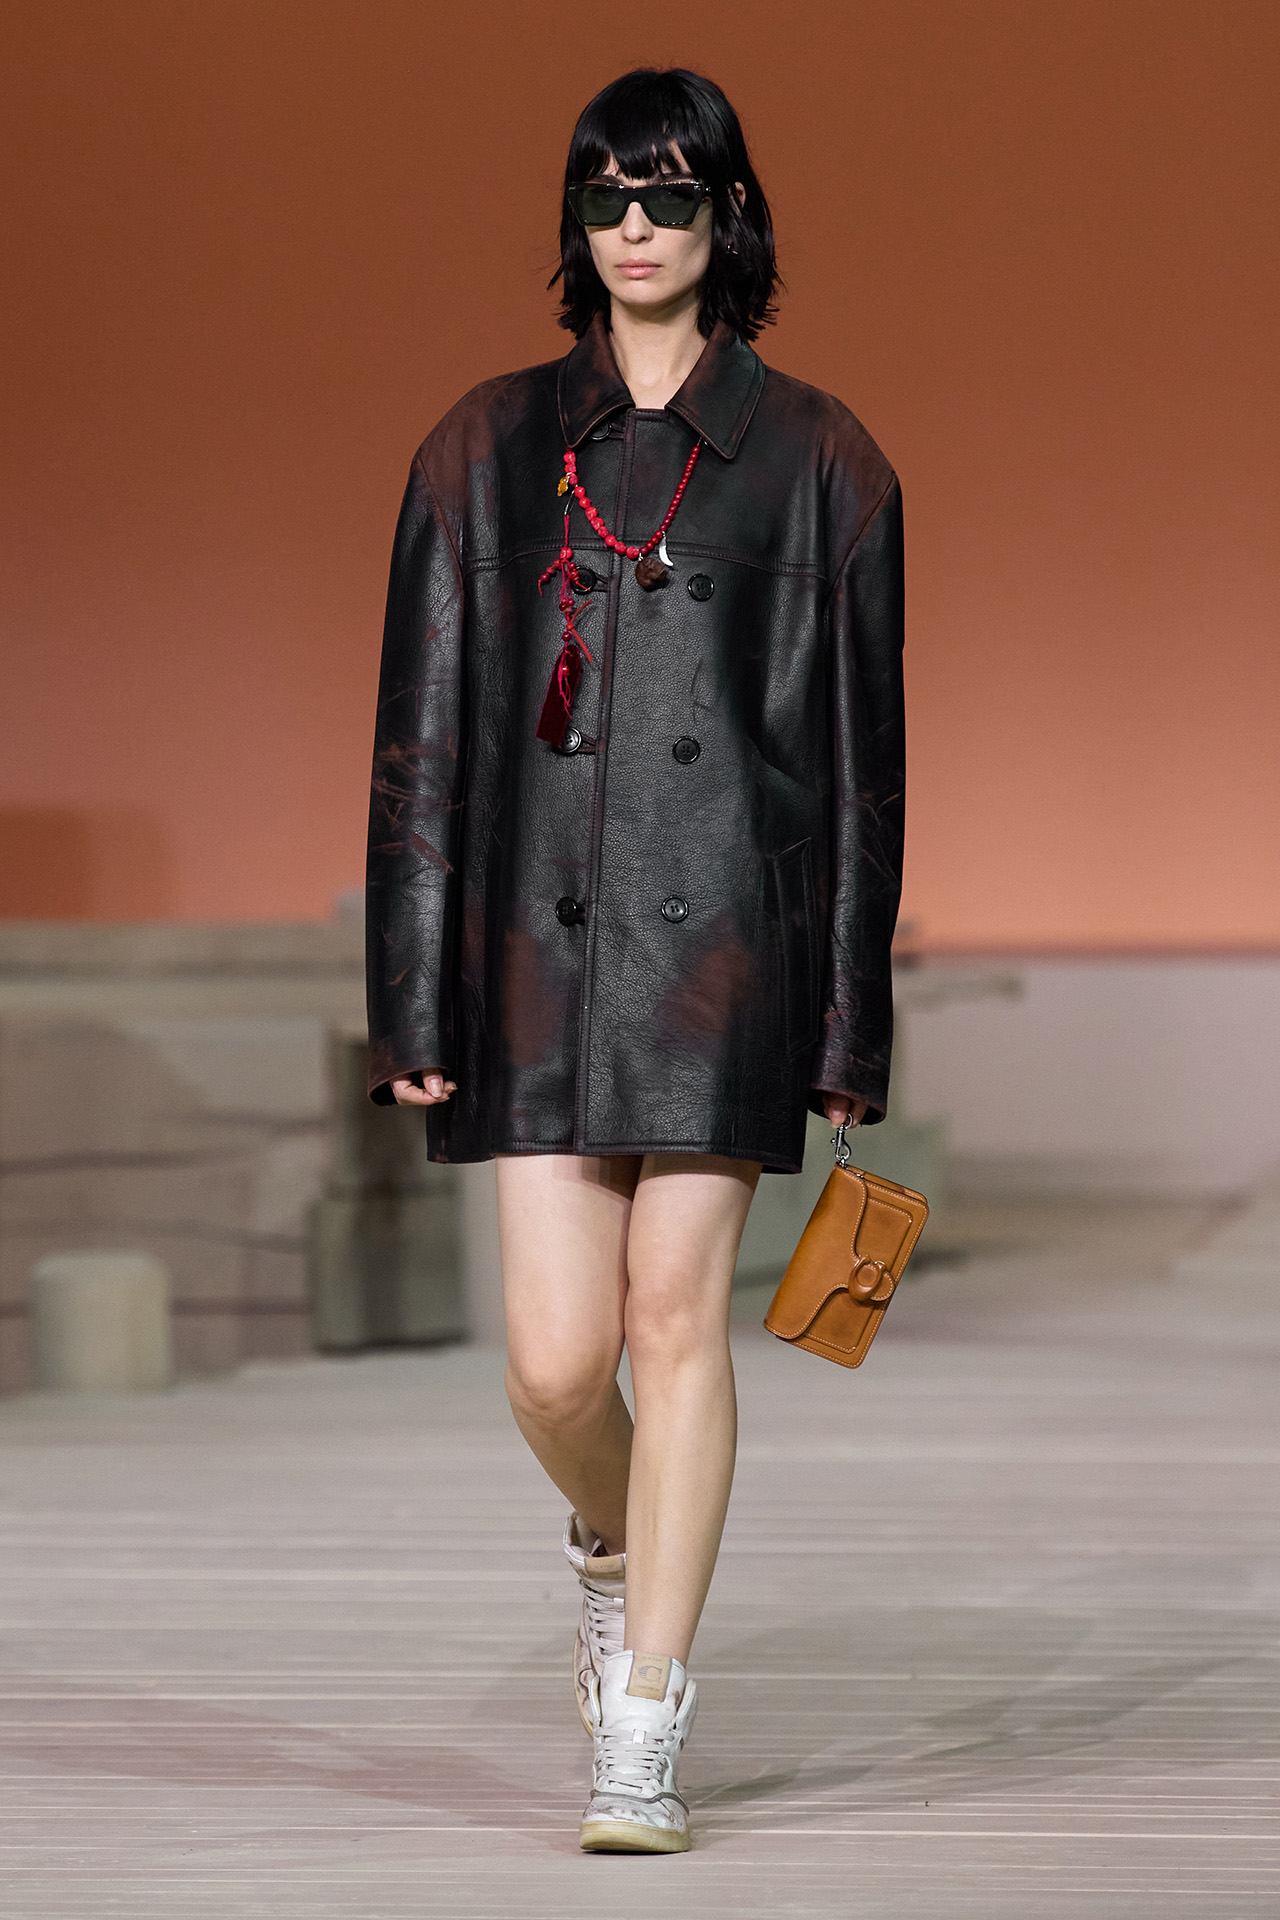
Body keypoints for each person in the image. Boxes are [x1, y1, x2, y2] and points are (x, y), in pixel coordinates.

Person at [365, 67, 905, 1854]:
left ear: (728, 216)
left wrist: (851, 1024)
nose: (637, 228)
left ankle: (645, 1723)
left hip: (728, 952)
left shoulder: (825, 462)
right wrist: (409, 988)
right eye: (607, 195)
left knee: (676, 1324)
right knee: (550, 1365)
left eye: (671, 196)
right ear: (575, 219)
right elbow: (421, 746)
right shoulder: (482, 449)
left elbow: (863, 771)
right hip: (534, 951)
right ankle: (610, 1546)